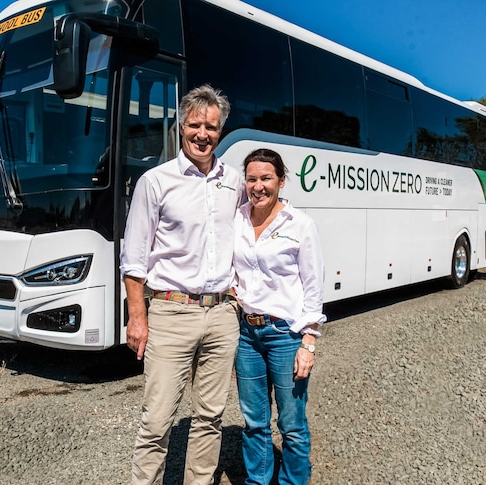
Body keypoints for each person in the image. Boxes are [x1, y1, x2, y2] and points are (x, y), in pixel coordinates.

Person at [120, 84, 246, 485]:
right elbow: (133, 260)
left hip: (224, 313)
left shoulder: (235, 181)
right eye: (195, 125)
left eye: (211, 127)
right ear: (180, 126)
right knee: (157, 420)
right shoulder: (155, 182)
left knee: (210, 417)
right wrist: (137, 318)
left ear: (221, 130)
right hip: (172, 312)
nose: (202, 134)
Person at [232, 148, 326, 485]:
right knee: (254, 422)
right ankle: (258, 481)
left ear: (281, 181)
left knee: (292, 425)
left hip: (286, 336)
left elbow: (314, 287)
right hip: (247, 336)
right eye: (252, 179)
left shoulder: (300, 225)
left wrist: (309, 342)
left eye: (266, 178)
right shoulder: (237, 218)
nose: (258, 186)